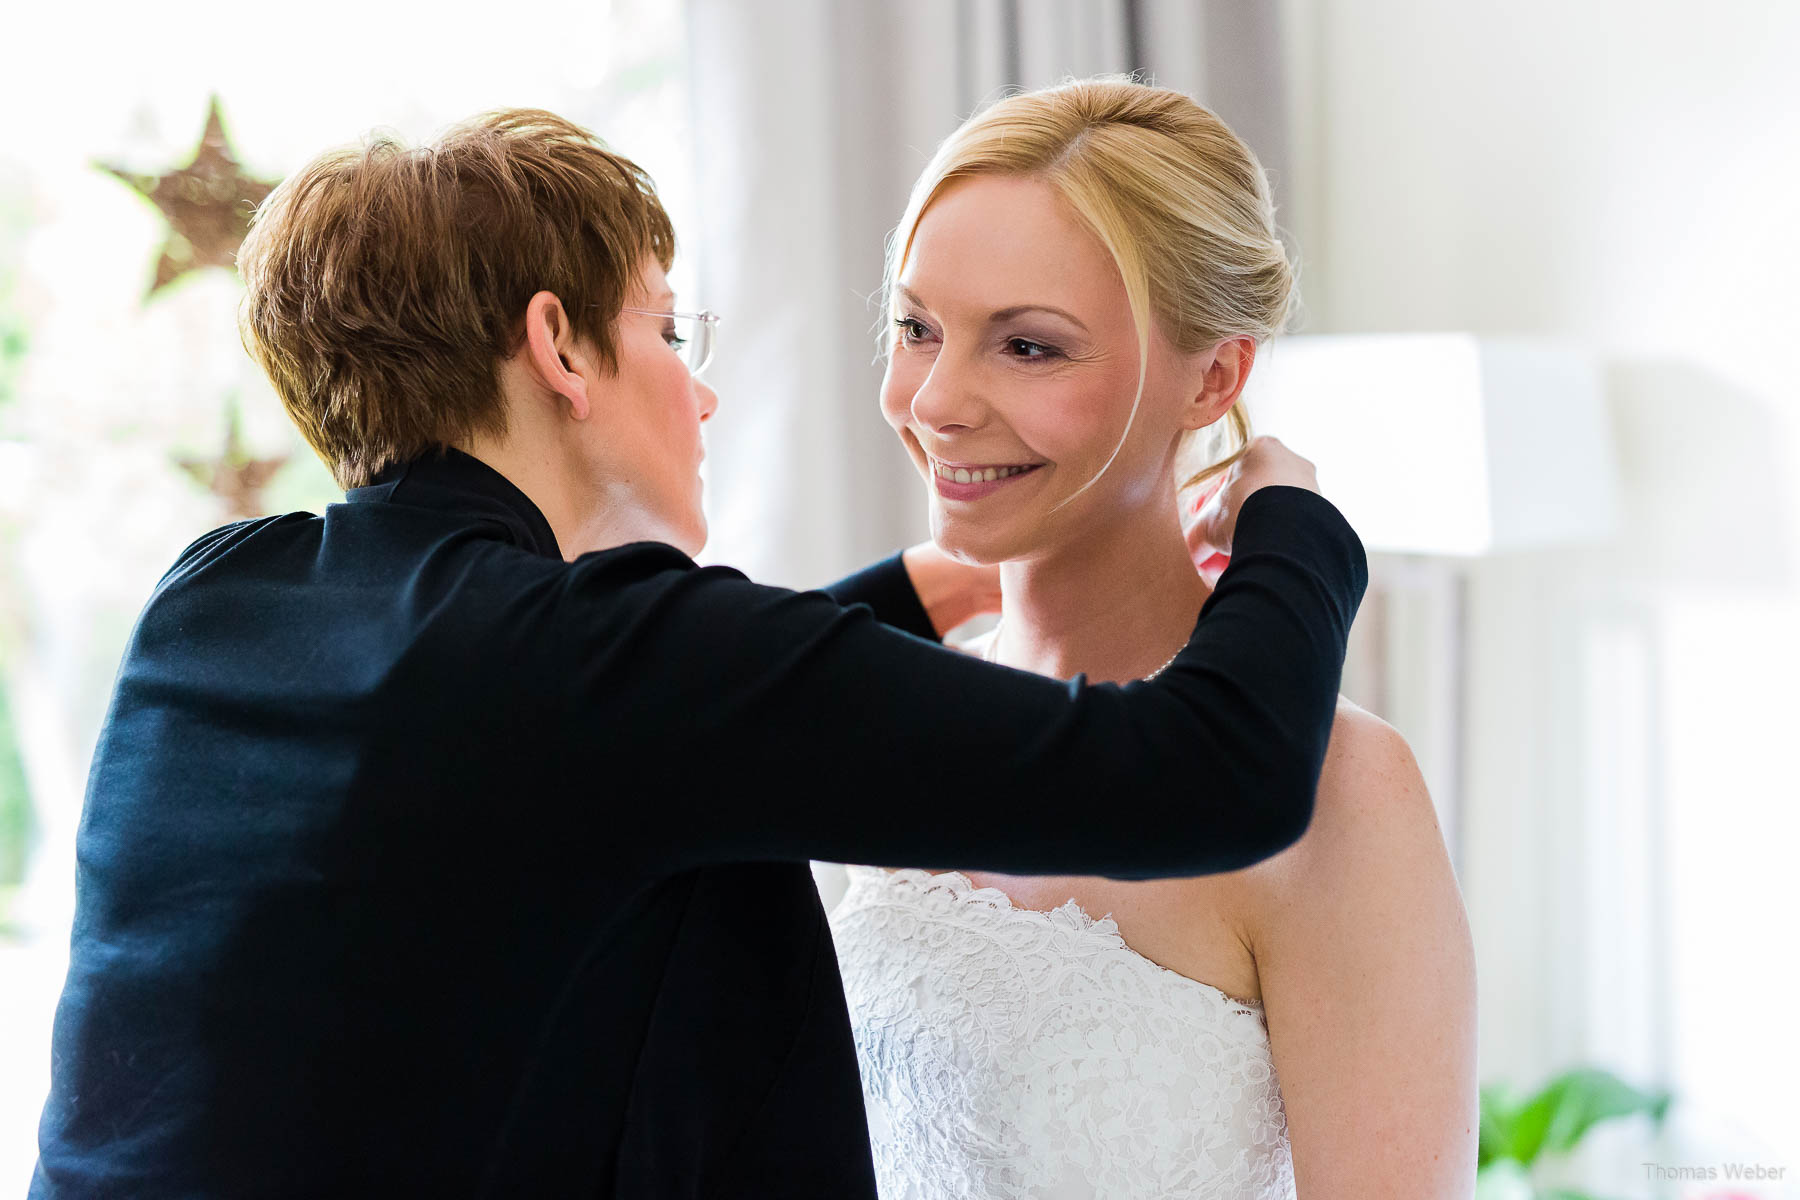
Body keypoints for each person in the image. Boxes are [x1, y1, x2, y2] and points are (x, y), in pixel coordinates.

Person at [30, 108, 1367, 1198]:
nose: (703, 389)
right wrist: (1293, 520)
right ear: (559, 346)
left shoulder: (215, 600)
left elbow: (600, 742)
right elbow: (1217, 775)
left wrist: (899, 596)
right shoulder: (607, 661)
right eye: (668, 331)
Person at [829, 79, 1478, 1198]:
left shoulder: (1345, 791)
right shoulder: (888, 710)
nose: (935, 400)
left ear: (1216, 375)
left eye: (1028, 348)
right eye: (917, 327)